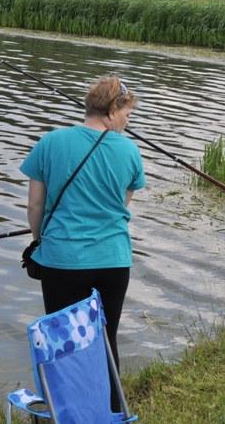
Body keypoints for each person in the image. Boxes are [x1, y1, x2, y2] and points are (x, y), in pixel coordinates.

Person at [20, 75, 145, 410]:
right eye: (127, 114)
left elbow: (34, 206)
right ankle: (113, 410)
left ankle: (67, 410)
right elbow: (122, 204)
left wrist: (38, 240)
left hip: (63, 258)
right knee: (106, 336)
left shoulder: (51, 142)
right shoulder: (129, 151)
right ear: (111, 110)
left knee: (63, 339)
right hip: (114, 259)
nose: (127, 121)